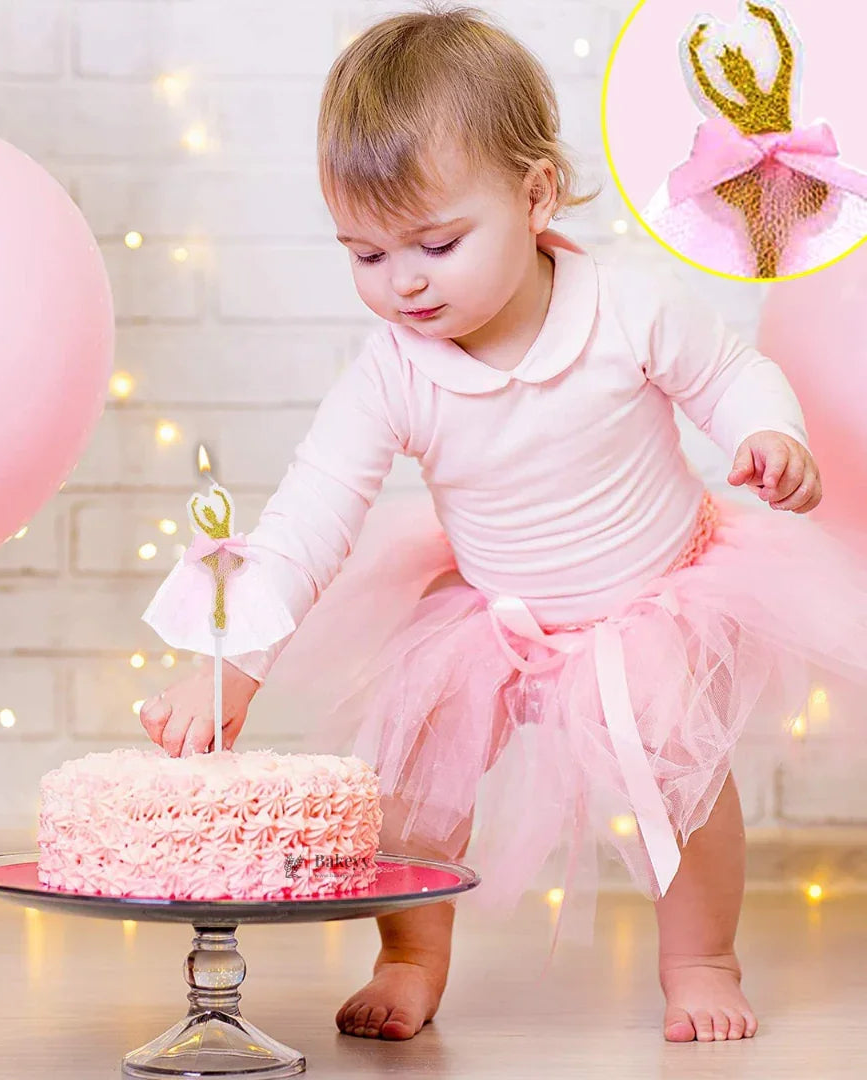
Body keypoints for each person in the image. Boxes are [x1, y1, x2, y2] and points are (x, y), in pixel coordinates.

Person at [139, 3, 867, 1045]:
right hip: (496, 608)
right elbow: (310, 516)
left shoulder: (629, 307)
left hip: (655, 594)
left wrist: (770, 434)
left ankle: (702, 953)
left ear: (534, 195)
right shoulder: (390, 371)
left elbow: (734, 373)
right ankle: (410, 951)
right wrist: (234, 663)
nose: (404, 282)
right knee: (413, 772)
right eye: (366, 254)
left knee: (682, 773)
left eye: (435, 242)